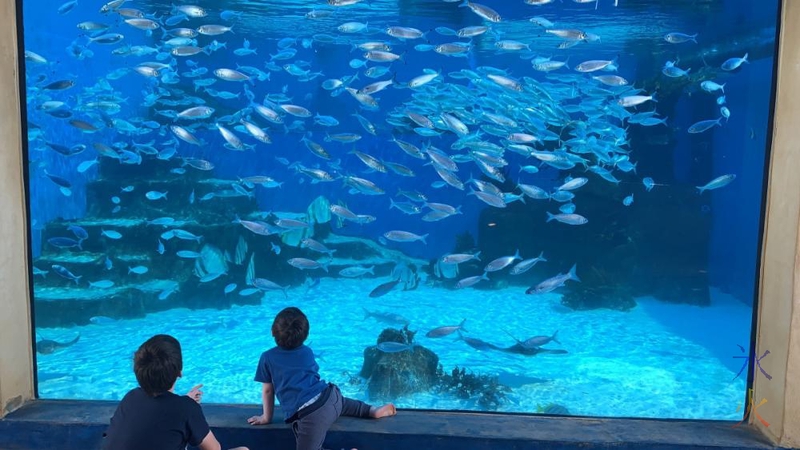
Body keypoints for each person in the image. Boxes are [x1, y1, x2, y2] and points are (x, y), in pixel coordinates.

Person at [247, 307, 396, 450]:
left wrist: (266, 418)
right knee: (344, 404)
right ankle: (372, 411)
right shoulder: (307, 351)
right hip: (331, 395)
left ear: (273, 331)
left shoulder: (267, 357)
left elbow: (268, 391)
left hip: (312, 415)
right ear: (305, 335)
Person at [102, 334, 249, 450]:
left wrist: (186, 401)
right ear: (179, 372)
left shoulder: (131, 397)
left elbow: (158, 415)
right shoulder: (186, 409)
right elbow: (214, 448)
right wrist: (189, 405)